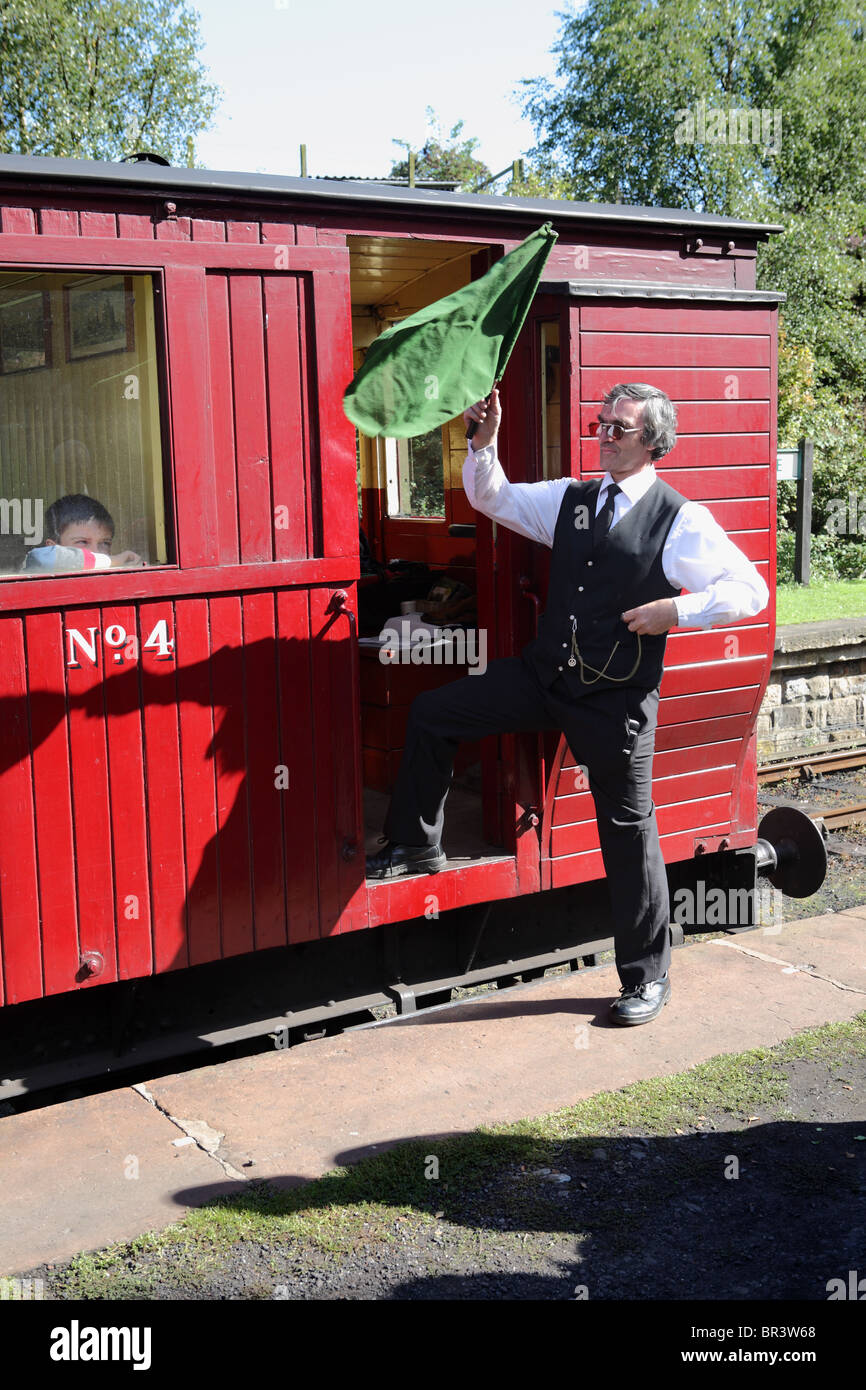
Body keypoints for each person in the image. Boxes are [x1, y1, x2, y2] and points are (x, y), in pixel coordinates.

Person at [366, 383, 769, 1026]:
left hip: (616, 700)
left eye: (621, 428)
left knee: (629, 830)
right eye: (601, 424)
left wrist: (677, 609)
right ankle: (417, 844)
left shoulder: (679, 519)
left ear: (653, 442)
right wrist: (484, 440)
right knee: (434, 713)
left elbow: (750, 591)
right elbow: (491, 497)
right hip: (545, 677)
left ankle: (647, 977)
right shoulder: (573, 497)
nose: (605, 435)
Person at [23, 494, 145, 572]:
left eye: (105, 543)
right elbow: (43, 558)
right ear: (52, 546)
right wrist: (113, 560)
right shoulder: (39, 562)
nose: (96, 551)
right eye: (82, 542)